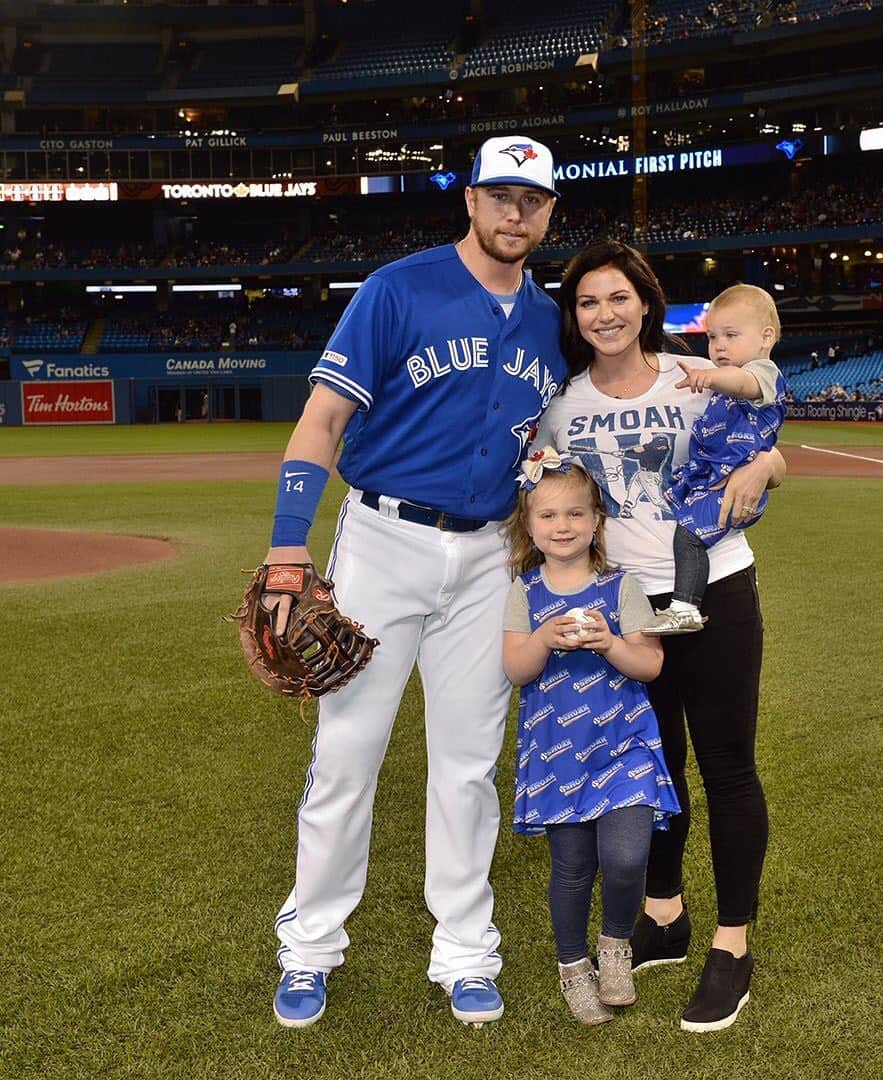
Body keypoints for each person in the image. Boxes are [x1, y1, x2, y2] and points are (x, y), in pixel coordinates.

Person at [262, 134, 566, 1029]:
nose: (516, 213)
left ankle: (466, 951)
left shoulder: (550, 322)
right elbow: (320, 422)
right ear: (470, 200)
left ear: (550, 214)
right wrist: (288, 552)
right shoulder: (397, 289)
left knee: (469, 767)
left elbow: (549, 439)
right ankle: (310, 947)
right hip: (384, 542)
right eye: (501, 195)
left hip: (489, 558)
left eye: (533, 200)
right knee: (348, 757)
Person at [535, 240, 786, 1032]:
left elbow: (761, 435)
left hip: (714, 589)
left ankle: (732, 945)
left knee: (727, 767)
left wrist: (770, 464)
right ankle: (666, 915)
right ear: (574, 318)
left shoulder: (693, 375)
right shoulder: (563, 404)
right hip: (627, 608)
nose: (605, 314)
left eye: (619, 298)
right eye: (587, 303)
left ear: (646, 303)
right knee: (655, 768)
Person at [502, 452, 680, 1024]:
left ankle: (615, 946)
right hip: (557, 750)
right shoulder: (524, 593)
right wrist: (543, 640)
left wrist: (610, 645)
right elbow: (516, 670)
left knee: (627, 858)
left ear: (597, 519)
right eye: (548, 515)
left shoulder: (622, 588)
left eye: (576, 513)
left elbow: (650, 665)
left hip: (622, 743)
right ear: (528, 525)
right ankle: (574, 967)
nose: (563, 526)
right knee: (573, 867)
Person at [645, 285, 786, 634]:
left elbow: (742, 382)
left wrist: (709, 377)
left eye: (731, 335)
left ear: (766, 336)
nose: (719, 345)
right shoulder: (724, 377)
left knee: (689, 536)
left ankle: (685, 607)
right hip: (709, 476)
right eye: (712, 336)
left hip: (727, 484)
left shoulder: (763, 373)